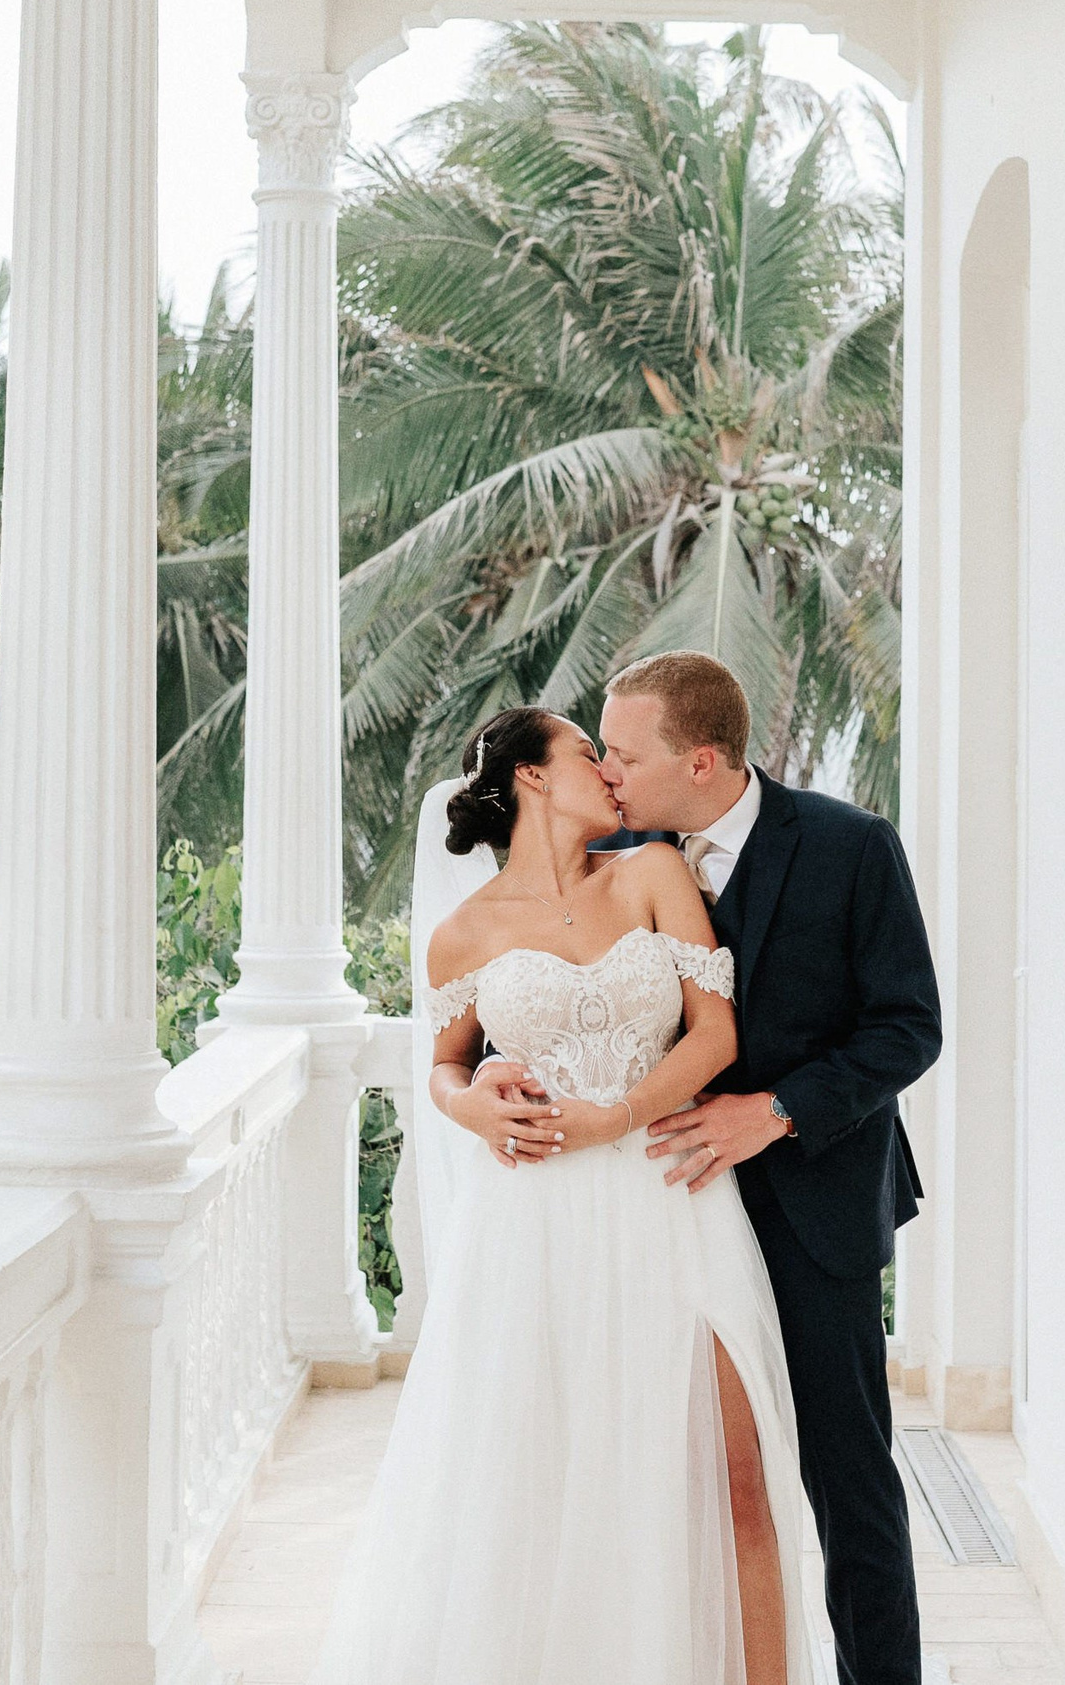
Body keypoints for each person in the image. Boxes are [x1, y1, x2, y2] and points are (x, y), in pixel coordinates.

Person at [306, 704, 825, 1685]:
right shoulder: (462, 935)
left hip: (674, 1197)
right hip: (535, 1228)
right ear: (534, 777)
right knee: (542, 1485)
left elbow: (713, 1036)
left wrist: (616, 1114)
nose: (612, 770)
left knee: (736, 1472)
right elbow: (447, 1067)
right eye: (591, 752)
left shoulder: (652, 872)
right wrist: (477, 1108)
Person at [584, 651, 941, 1685]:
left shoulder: (850, 845)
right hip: (656, 1211)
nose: (606, 769)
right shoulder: (604, 852)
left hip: (815, 1208)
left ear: (702, 760)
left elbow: (907, 1028)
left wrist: (777, 1110)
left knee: (847, 1476)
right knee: (676, 1470)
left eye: (623, 750)